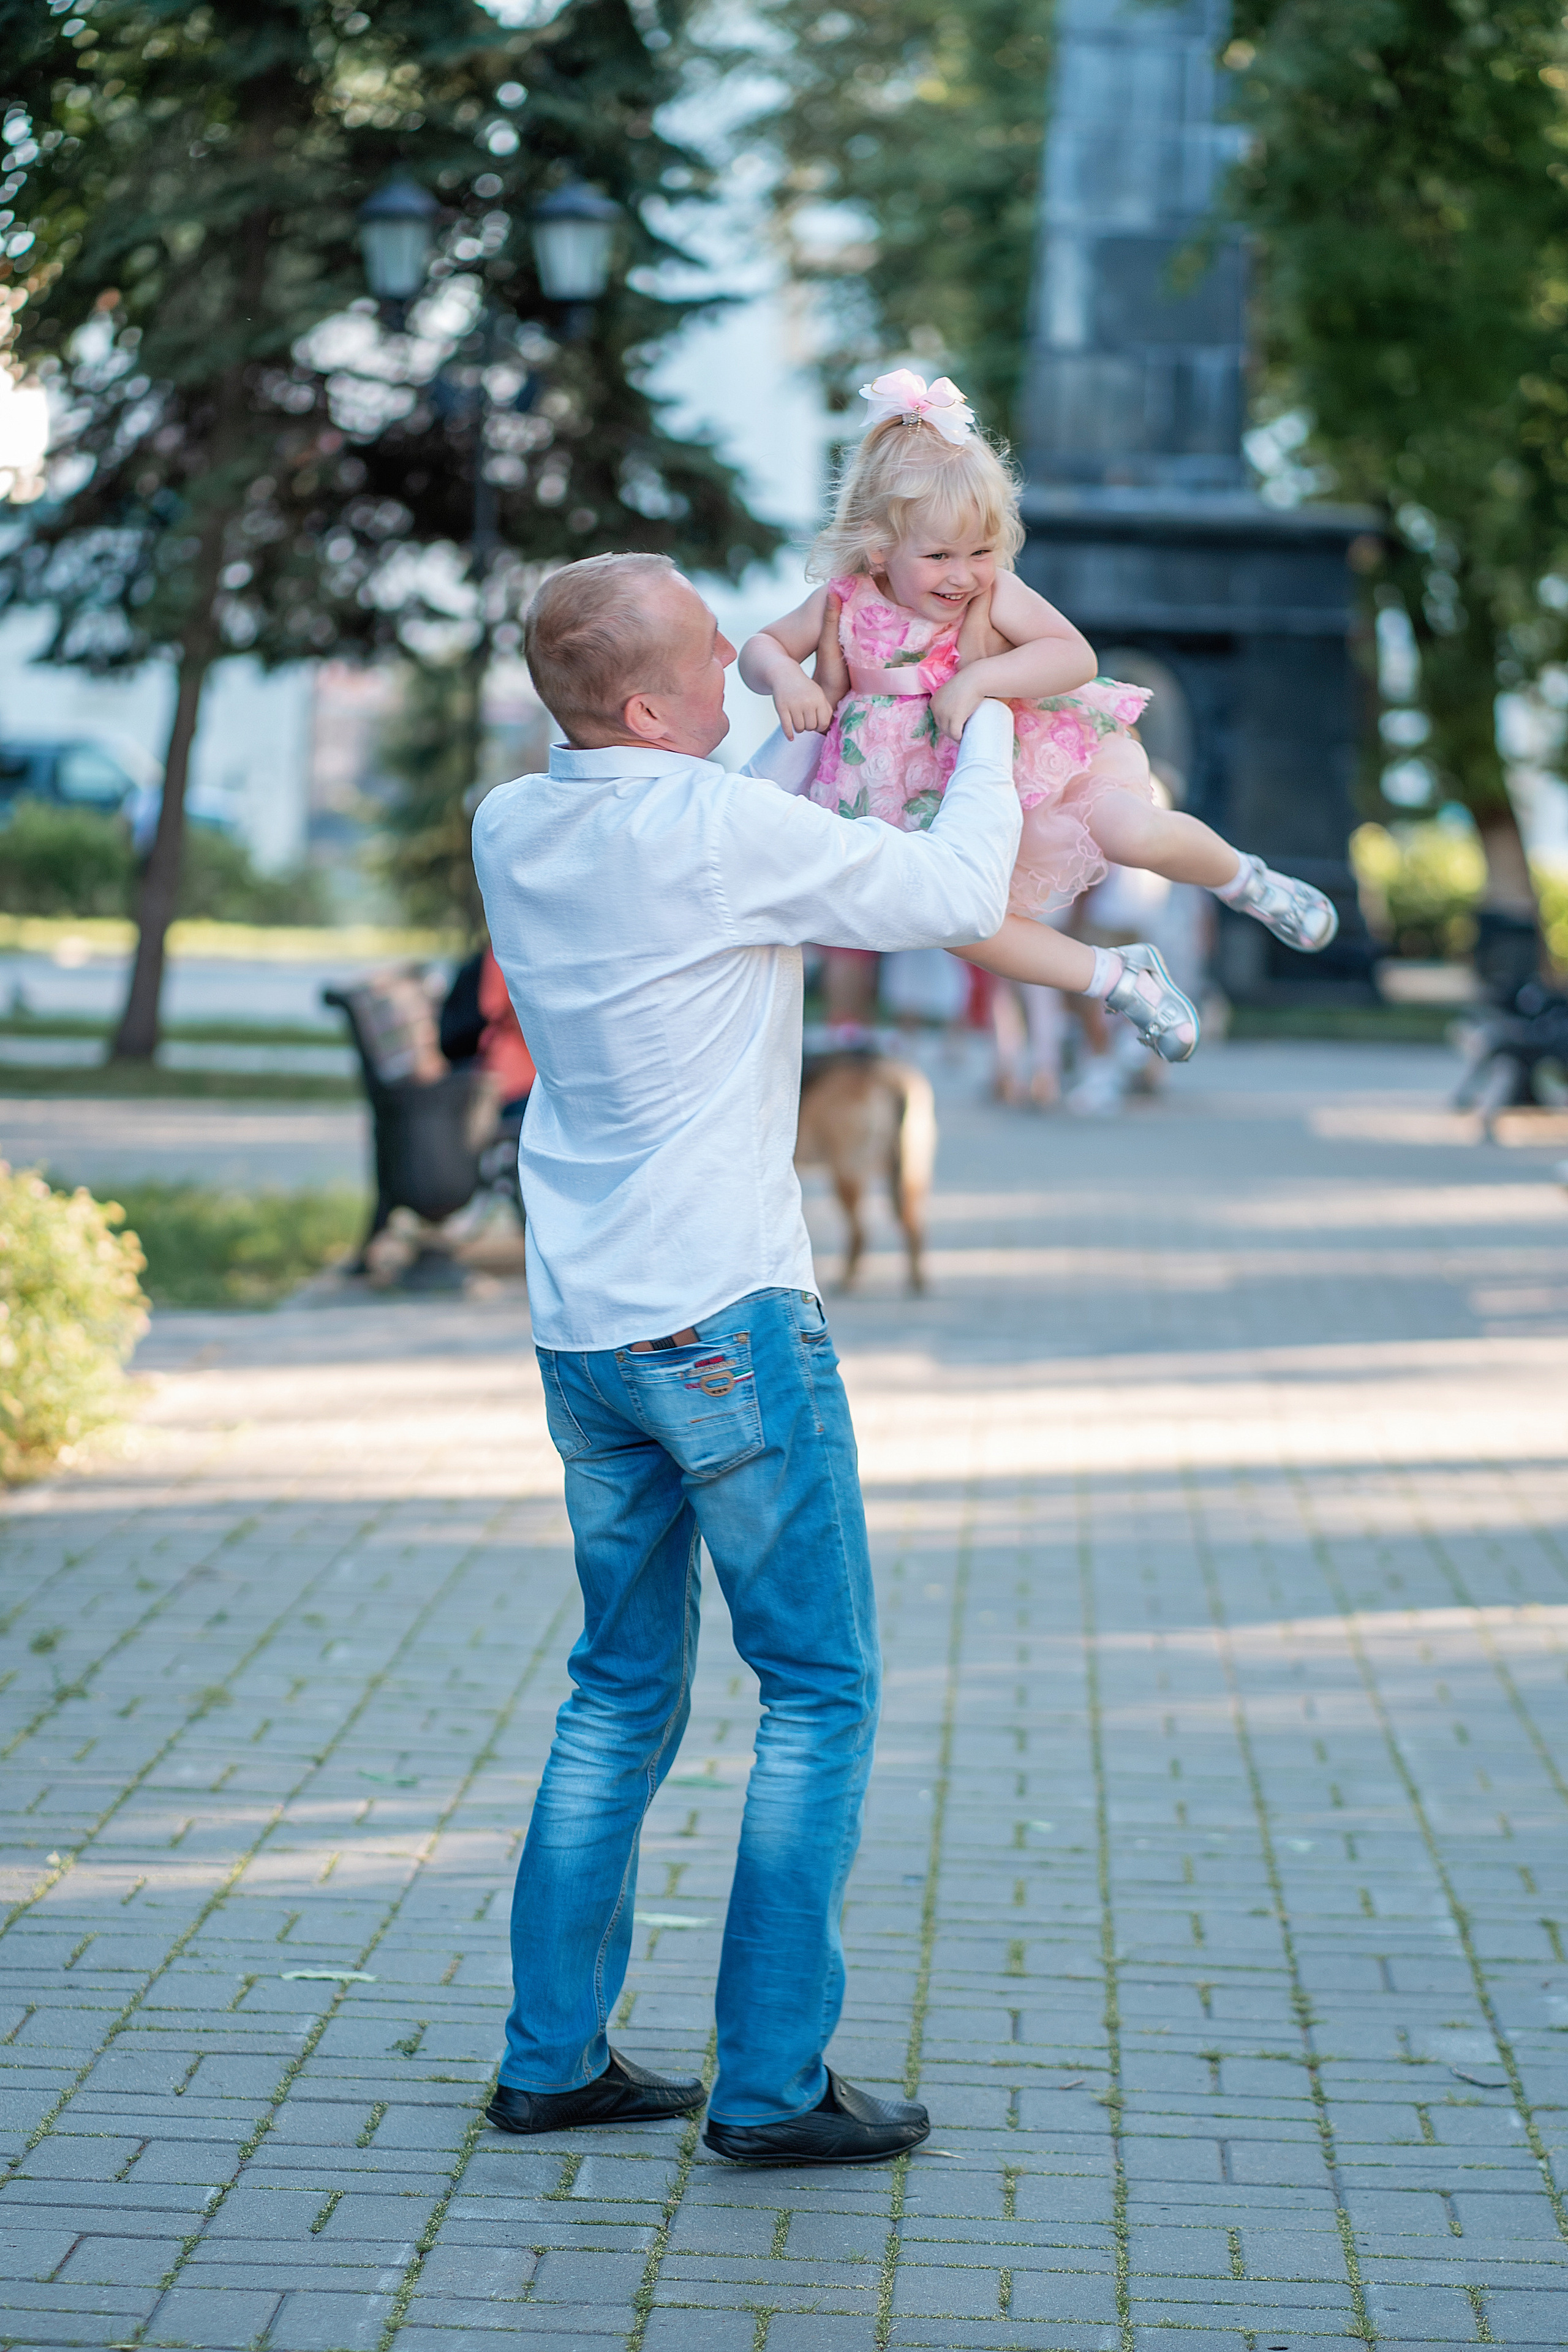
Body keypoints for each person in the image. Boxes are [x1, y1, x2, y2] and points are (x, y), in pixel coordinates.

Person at [471, 549, 1023, 2166]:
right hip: (725, 1326)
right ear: (648, 706)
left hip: (587, 1330)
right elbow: (949, 896)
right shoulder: (711, 831)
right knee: (819, 1690)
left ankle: (551, 2060)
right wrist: (982, 714)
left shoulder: (521, 819)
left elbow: (730, 773)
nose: (748, 673)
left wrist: (833, 597)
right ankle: (773, 2087)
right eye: (717, 659)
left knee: (619, 1691)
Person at [739, 367, 1340, 1066]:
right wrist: (785, 675)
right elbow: (760, 648)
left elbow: (1073, 656)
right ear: (879, 548)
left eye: (981, 552)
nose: (962, 574)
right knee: (966, 925)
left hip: (1030, 771)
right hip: (914, 803)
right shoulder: (843, 600)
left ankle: (1247, 880)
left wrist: (984, 677)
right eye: (938, 556)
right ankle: (1119, 980)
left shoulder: (993, 596)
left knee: (1133, 832)